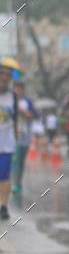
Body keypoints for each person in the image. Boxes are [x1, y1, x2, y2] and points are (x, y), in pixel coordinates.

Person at [0, 60, 18, 220]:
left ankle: (4, 206)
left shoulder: (13, 96)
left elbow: (15, 120)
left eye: (8, 76)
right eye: (2, 74)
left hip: (6, 144)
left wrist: (16, 140)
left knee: (4, 176)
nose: (5, 78)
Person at [11, 80, 36, 196]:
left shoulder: (27, 102)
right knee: (15, 160)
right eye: (15, 88)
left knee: (21, 161)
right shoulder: (9, 101)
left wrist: (23, 111)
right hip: (12, 135)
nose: (17, 91)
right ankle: (14, 184)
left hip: (25, 136)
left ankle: (18, 182)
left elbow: (33, 116)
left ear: (23, 90)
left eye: (19, 88)